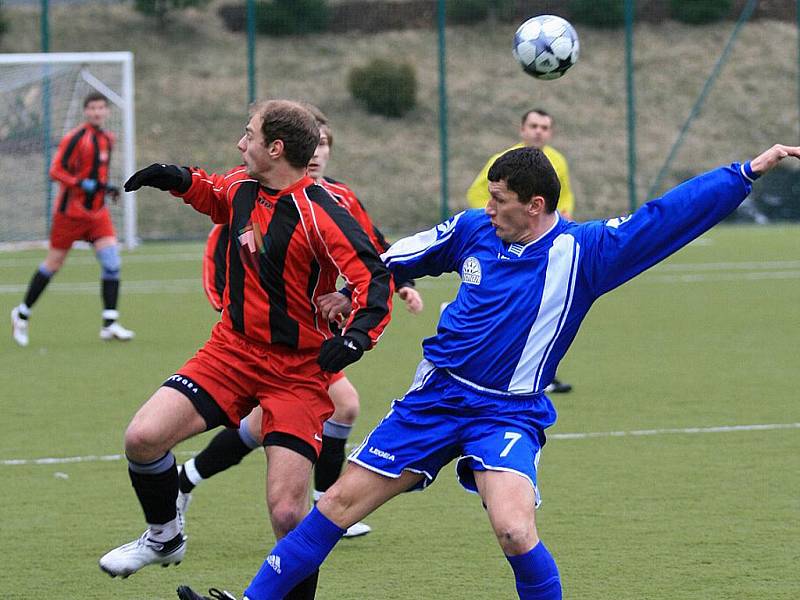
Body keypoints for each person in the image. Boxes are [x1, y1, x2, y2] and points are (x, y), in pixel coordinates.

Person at [175, 143, 800, 600]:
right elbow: (402, 256)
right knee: (336, 503)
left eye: (499, 201)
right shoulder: (475, 229)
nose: (487, 208)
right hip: (434, 399)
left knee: (512, 527)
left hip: (509, 409)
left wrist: (742, 173)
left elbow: (666, 218)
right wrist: (350, 288)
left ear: (534, 205)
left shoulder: (585, 253)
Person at [98, 100, 394, 600]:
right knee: (143, 438)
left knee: (286, 514)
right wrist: (174, 178)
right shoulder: (240, 186)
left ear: (275, 148)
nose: (241, 144)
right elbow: (212, 192)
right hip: (230, 353)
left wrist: (357, 336)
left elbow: (374, 279)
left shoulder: (321, 212)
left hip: (298, 372)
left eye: (249, 135)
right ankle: (164, 538)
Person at [182, 109, 423, 539]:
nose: (317, 154)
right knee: (325, 409)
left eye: (325, 146)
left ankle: (196, 478)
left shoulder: (340, 200)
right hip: (272, 341)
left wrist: (360, 295)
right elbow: (231, 239)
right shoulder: (254, 192)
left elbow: (375, 257)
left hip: (314, 339)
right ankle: (322, 501)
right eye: (315, 145)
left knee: (277, 420)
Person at [10, 92, 133, 346]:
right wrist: (81, 184)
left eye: (101, 108)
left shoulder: (108, 139)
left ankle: (109, 324)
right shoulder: (76, 137)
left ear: (107, 111)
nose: (97, 112)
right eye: (92, 108)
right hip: (70, 214)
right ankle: (21, 314)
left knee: (112, 262)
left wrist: (106, 189)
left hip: (97, 215)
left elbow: (97, 174)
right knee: (53, 265)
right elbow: (55, 171)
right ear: (85, 111)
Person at [466, 108, 574, 393]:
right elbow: (478, 193)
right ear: (522, 130)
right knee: (503, 304)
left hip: (544, 245)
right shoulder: (503, 163)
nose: (539, 131)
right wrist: (498, 218)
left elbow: (564, 197)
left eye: (545, 127)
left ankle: (542, 372)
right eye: (534, 126)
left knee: (547, 304)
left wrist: (565, 215)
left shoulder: (557, 161)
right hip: (506, 241)